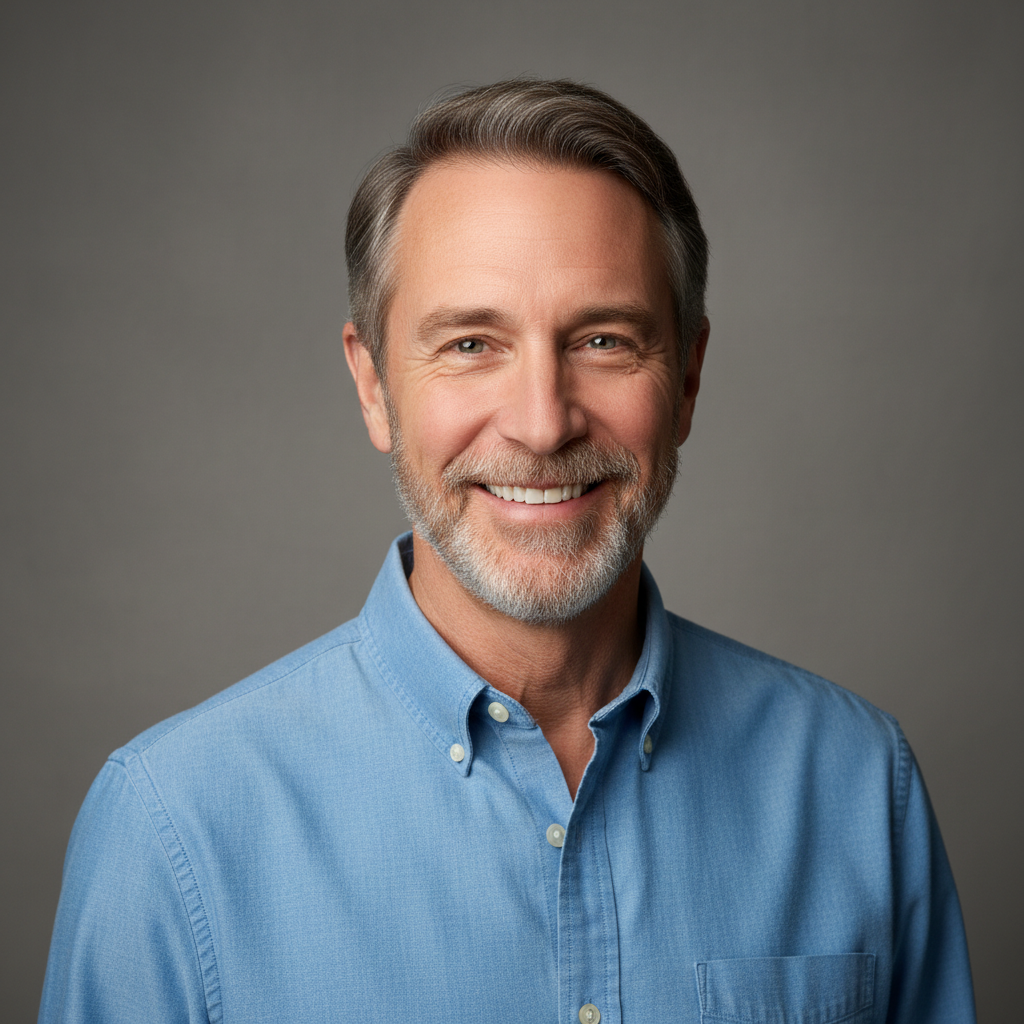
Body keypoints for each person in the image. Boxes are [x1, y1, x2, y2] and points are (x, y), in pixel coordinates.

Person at [39, 79, 975, 1023]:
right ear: (373, 386)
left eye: (604, 340)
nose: (540, 424)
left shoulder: (860, 785)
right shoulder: (171, 830)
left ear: (687, 381)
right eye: (472, 344)